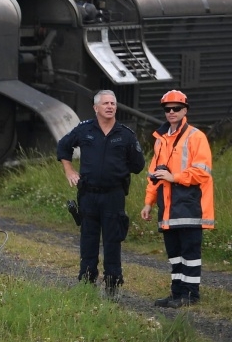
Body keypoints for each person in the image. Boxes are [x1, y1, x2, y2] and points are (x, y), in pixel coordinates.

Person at [57, 89, 145, 296]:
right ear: (96, 108)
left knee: (113, 239)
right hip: (88, 194)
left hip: (113, 195)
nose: (110, 107)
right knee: (88, 238)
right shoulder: (84, 130)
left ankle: (112, 283)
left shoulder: (125, 135)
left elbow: (138, 164)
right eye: (105, 103)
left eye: (113, 104)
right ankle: (87, 281)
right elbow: (63, 147)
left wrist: (116, 170)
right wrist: (69, 170)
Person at [142, 90, 216, 308]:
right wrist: (148, 202)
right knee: (174, 254)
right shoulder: (160, 140)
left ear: (185, 110)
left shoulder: (196, 137)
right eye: (167, 109)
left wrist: (175, 177)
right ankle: (176, 294)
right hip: (167, 206)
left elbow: (203, 171)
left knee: (190, 253)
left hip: (190, 204)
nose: (171, 112)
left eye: (176, 108)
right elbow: (153, 175)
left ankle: (191, 295)